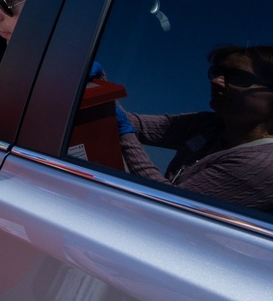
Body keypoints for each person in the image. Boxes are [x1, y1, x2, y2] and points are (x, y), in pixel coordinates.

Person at [117, 45, 273, 212]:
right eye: (217, 72)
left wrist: (124, 133)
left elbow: (170, 204)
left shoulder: (263, 165)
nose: (216, 81)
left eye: (237, 77)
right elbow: (131, 122)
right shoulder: (209, 125)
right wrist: (99, 86)